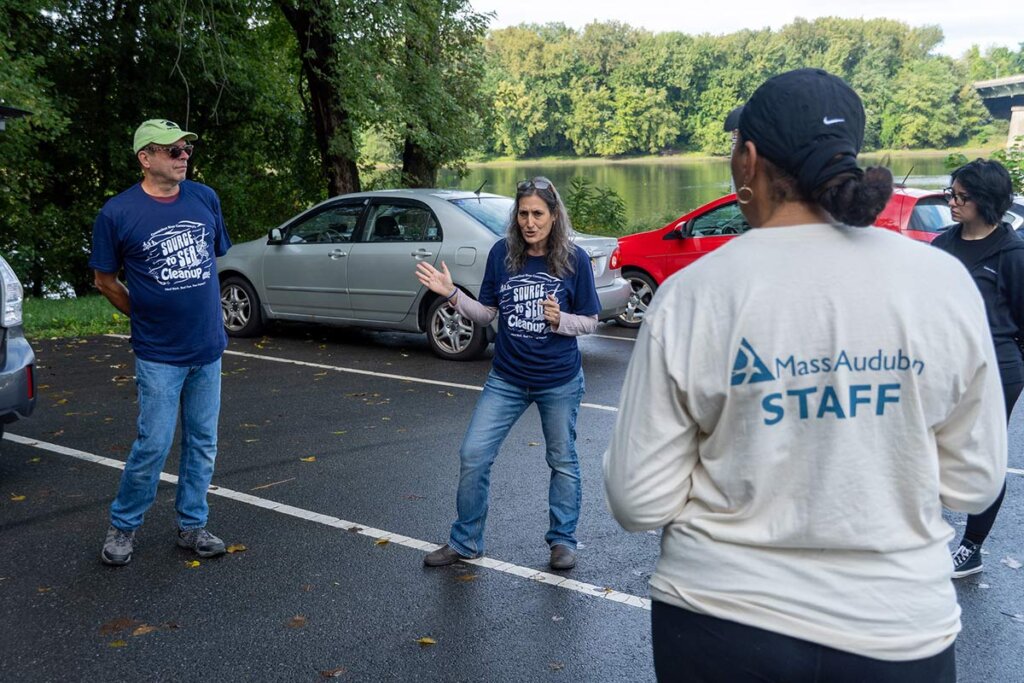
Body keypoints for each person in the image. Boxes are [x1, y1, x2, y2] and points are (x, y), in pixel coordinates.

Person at [604, 68, 1006, 680]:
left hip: (720, 623)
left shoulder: (693, 296)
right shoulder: (943, 283)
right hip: (898, 629)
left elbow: (639, 499)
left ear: (748, 160)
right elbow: (974, 484)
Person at [415, 177, 600, 571]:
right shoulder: (503, 253)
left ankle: (563, 540)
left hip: (559, 380)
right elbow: (487, 315)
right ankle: (465, 541)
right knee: (474, 454)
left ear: (554, 216)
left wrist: (561, 320)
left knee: (562, 460)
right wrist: (451, 293)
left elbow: (590, 321)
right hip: (508, 378)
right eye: (523, 214)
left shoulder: (573, 259)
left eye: (538, 214)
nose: (529, 222)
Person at [91, 119, 232, 566]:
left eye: (186, 148)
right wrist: (143, 312)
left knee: (203, 442)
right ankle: (123, 527)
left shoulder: (204, 198)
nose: (183, 155)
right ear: (145, 157)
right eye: (171, 150)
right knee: (153, 443)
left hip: (207, 347)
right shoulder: (118, 213)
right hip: (159, 353)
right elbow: (105, 280)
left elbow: (209, 260)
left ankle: (192, 526)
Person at [932, 159, 1023, 578]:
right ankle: (926, 531)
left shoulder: (1013, 255)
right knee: (931, 448)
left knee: (983, 455)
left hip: (996, 371)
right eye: (951, 192)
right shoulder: (942, 245)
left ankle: (972, 547)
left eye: (960, 196)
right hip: (942, 367)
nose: (951, 201)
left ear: (985, 202)